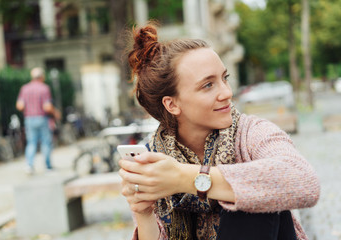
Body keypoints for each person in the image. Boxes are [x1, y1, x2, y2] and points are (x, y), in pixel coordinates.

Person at [118, 24, 320, 240]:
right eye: (208, 85)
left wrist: (183, 177)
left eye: (225, 78)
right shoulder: (154, 160)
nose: (227, 92)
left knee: (251, 194)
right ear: (172, 104)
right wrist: (144, 212)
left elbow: (305, 182)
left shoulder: (251, 133)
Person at [16, 67, 61, 174]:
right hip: (42, 118)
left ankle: (29, 165)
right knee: (46, 142)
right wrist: (56, 113)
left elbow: (19, 105)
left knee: (31, 142)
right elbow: (47, 107)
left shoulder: (25, 88)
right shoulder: (44, 88)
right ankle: (48, 166)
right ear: (42, 77)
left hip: (29, 119)